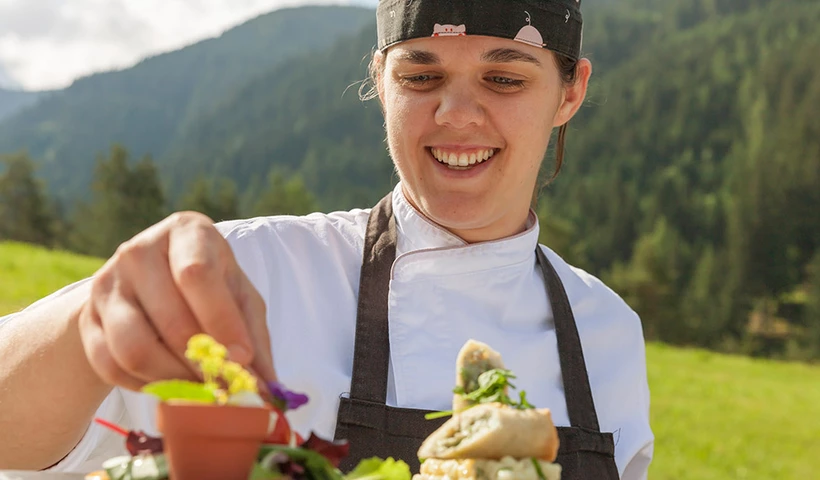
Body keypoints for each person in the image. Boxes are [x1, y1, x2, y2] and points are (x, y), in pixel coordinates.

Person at [0, 0, 654, 478]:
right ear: (379, 79)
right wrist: (90, 320)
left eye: (504, 78)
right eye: (420, 77)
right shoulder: (252, 273)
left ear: (570, 92)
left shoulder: (608, 337)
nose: (456, 114)